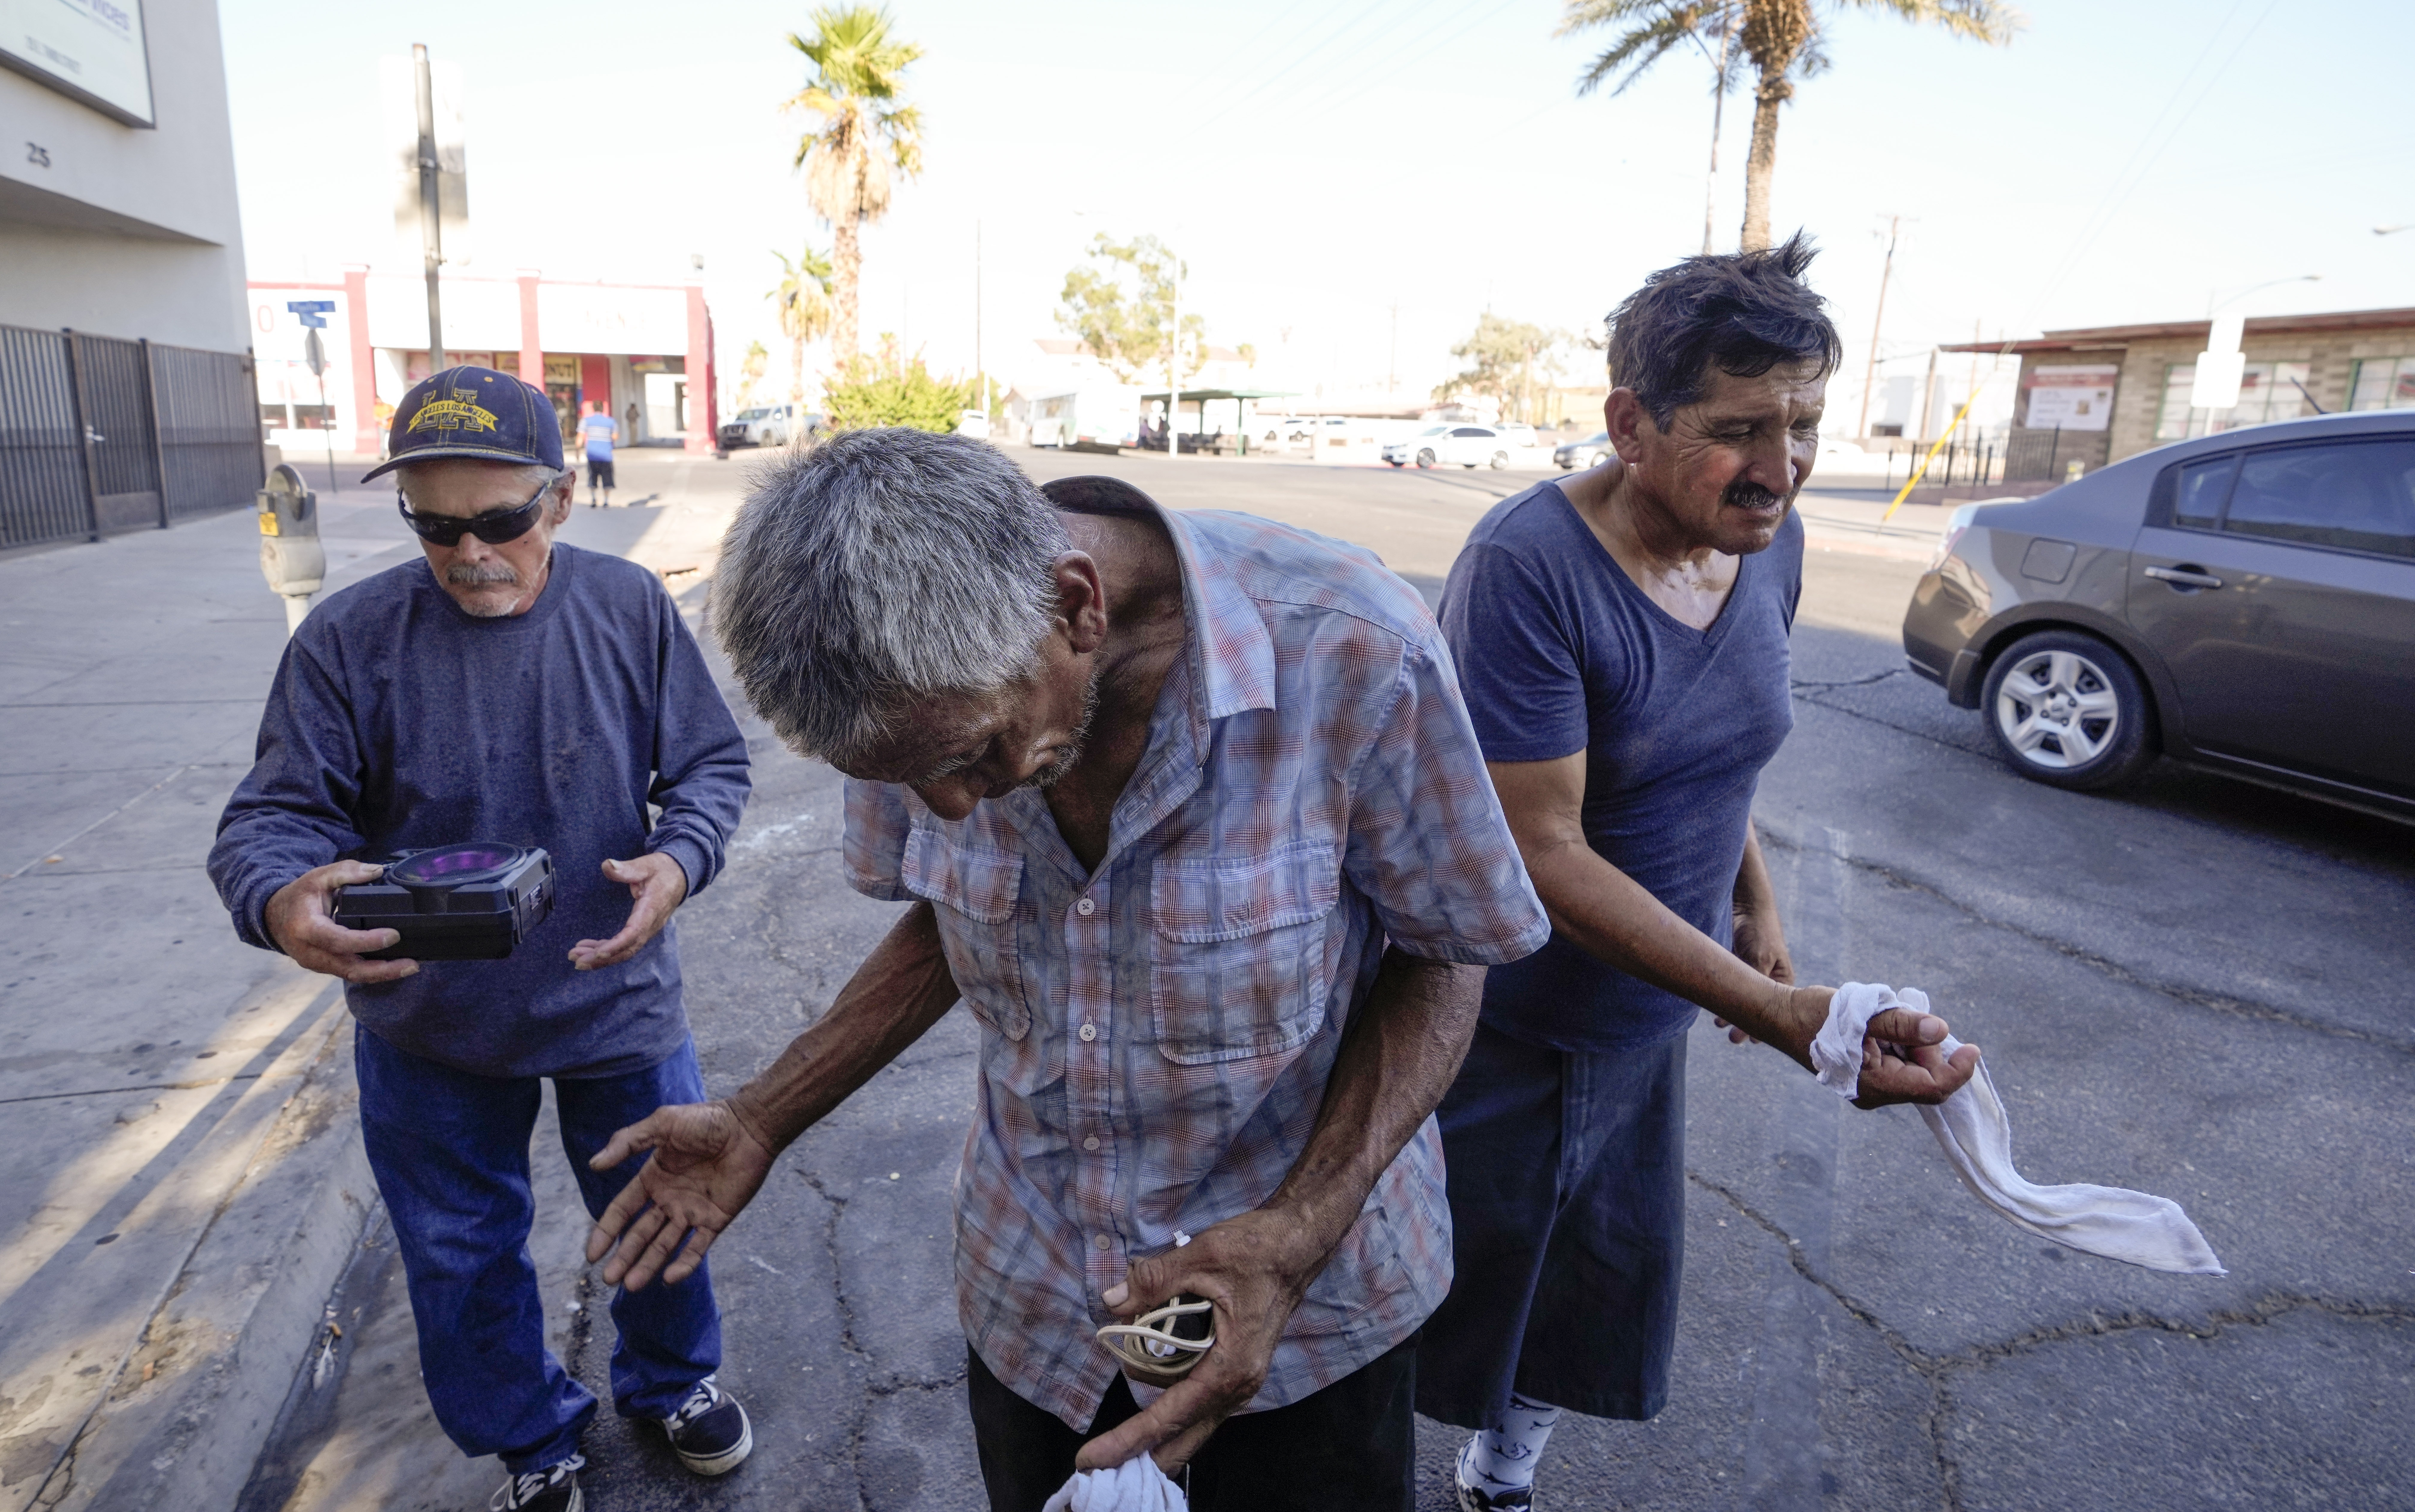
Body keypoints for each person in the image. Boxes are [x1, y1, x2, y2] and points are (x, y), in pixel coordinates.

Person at [583, 431, 1549, 1511]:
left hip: (1301, 1318)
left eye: (971, 755)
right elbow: (947, 922)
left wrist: (1299, 1231)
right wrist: (765, 1114)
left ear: (1077, 605)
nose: (949, 807)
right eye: (909, 777)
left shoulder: (1349, 646)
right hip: (1038, 1300)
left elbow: (1446, 946)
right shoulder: (907, 697)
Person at [1413, 237, 1980, 1512]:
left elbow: (1710, 749)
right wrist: (1770, 1006)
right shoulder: (1527, 573)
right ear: (1629, 422)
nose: (1779, 469)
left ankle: (1501, 1471)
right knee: (1436, 1283)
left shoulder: (1762, 542)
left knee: (1593, 1274)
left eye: (1804, 423)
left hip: (1644, 1011)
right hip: (1500, 1023)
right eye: (1737, 428)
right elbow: (1539, 849)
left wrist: (1754, 903)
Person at [207, 365, 757, 1512]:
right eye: (436, 526)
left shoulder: (628, 608)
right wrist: (280, 900)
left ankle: (670, 1382)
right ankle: (529, 1433)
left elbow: (708, 764)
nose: (470, 554)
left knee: (660, 1201)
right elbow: (272, 816)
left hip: (614, 993)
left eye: (500, 520)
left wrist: (681, 856)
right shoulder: (350, 639)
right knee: (459, 1246)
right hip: (429, 1017)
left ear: (557, 500)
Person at [579, 399, 620, 507]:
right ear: (603, 409)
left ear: (593, 408)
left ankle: (593, 499)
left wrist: (578, 451)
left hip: (592, 455)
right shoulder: (611, 422)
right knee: (607, 480)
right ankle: (606, 501)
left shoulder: (586, 421)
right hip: (606, 456)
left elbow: (581, 437)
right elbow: (615, 436)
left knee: (593, 478)